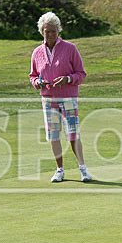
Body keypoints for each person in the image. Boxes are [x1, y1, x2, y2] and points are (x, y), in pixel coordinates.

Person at [29, 12, 91, 183]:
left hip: (68, 98)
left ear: (58, 30)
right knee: (54, 135)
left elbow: (81, 73)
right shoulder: (37, 52)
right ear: (41, 31)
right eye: (47, 31)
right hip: (48, 99)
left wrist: (68, 79)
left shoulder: (70, 48)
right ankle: (59, 170)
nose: (50, 34)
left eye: (53, 31)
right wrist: (37, 83)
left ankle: (83, 169)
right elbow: (33, 75)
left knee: (73, 134)